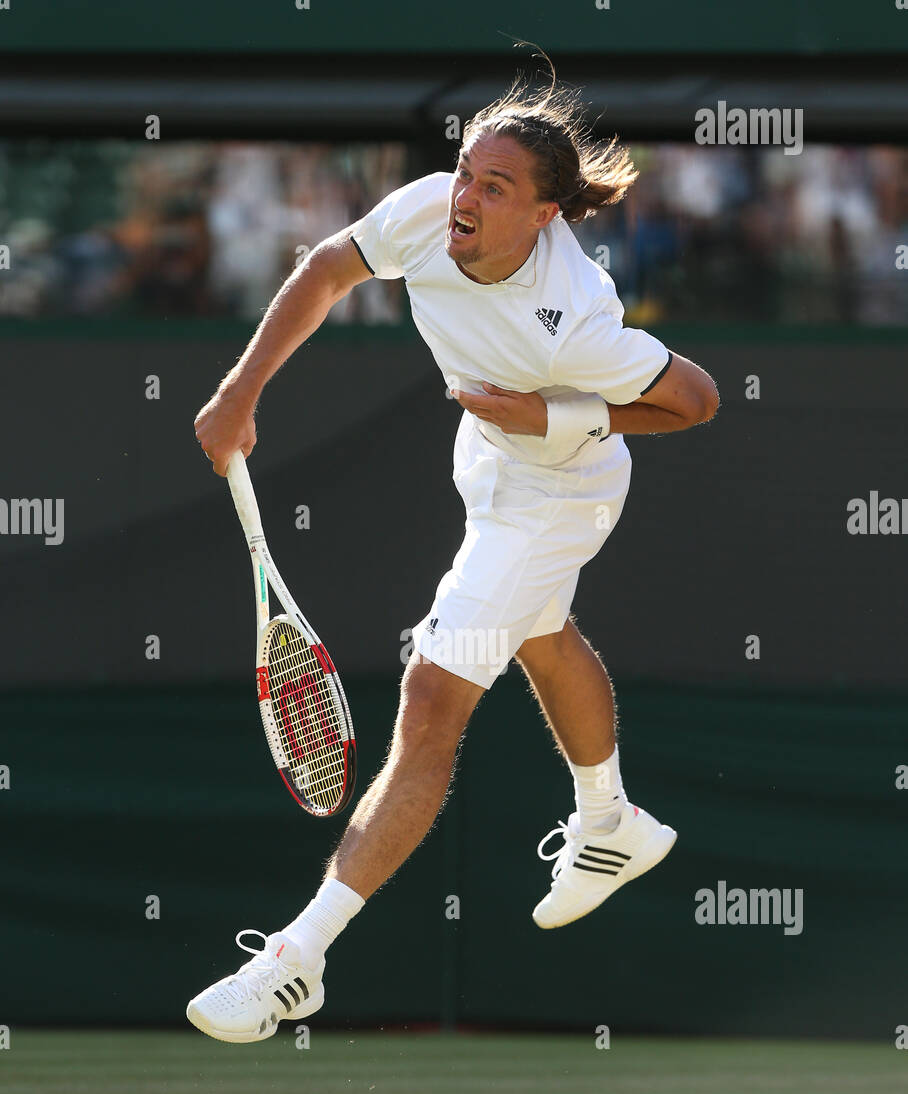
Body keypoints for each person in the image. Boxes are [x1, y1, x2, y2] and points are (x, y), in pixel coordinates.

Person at [187, 65, 719, 1044]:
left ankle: (292, 961)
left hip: (560, 488)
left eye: (495, 188)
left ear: (545, 214)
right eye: (466, 173)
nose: (464, 199)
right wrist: (239, 392)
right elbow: (328, 270)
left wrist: (548, 409)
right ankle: (609, 819)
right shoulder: (430, 210)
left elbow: (694, 399)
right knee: (541, 633)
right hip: (490, 467)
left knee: (431, 697)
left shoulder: (576, 314)